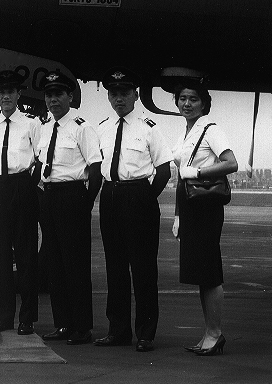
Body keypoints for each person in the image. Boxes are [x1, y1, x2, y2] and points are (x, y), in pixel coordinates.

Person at [94, 68, 172, 352]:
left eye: (124, 93)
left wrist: (145, 197)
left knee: (142, 268)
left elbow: (163, 169)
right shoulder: (101, 127)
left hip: (138, 195)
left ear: (136, 95)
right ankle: (118, 330)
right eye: (113, 94)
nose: (119, 99)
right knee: (114, 268)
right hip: (110, 195)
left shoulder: (149, 128)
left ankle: (145, 333)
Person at [171, 80, 237, 356]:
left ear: (203, 103)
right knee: (200, 273)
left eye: (193, 99)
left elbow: (231, 162)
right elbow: (179, 177)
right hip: (190, 207)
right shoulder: (186, 134)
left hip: (206, 207)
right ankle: (208, 332)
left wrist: (198, 174)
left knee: (209, 272)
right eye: (183, 98)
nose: (187, 103)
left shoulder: (211, 130)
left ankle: (215, 334)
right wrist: (177, 215)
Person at [36, 70, 102, 346]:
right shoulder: (44, 128)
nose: (53, 100)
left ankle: (82, 327)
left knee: (75, 266)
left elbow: (96, 169)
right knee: (54, 265)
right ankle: (62, 324)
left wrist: (84, 204)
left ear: (70, 97)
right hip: (48, 196)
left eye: (58, 94)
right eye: (49, 95)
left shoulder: (81, 127)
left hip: (72, 196)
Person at [0, 69, 40, 335]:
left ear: (19, 94)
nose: (6, 96)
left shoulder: (31, 124)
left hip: (21, 186)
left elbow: (40, 159)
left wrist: (29, 186)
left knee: (26, 254)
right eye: (1, 92)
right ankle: (3, 316)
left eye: (10, 91)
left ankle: (27, 318)